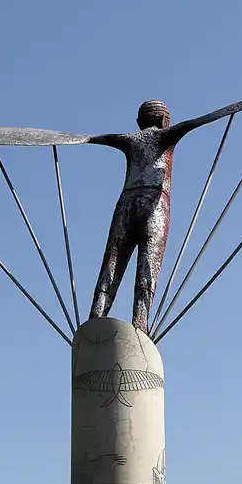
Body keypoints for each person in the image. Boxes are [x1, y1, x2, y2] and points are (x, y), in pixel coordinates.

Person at [85, 100, 209, 333]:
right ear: (164, 121)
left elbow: (99, 138)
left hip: (126, 204)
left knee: (111, 265)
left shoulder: (128, 139)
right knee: (147, 270)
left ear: (138, 122)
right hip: (155, 204)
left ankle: (94, 321)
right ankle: (140, 328)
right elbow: (195, 122)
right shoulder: (166, 136)